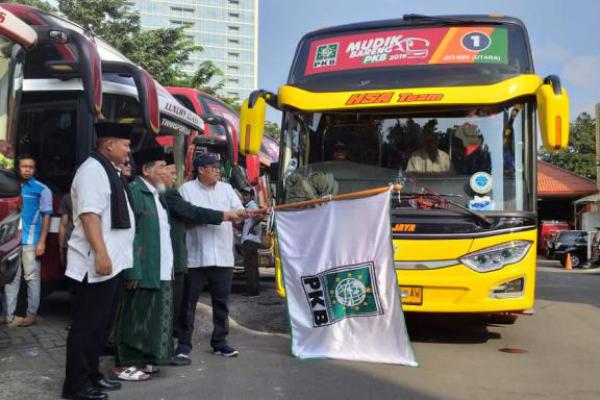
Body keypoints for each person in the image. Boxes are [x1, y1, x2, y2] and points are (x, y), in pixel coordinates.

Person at [62, 122, 135, 400]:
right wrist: (102, 253)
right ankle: (76, 386)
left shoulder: (109, 171)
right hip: (94, 264)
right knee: (86, 327)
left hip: (111, 264)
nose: (128, 151)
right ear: (109, 145)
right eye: (125, 145)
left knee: (101, 328)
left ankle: (91, 376)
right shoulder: (92, 171)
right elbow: (89, 215)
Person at [160, 156, 248, 361]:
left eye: (218, 168)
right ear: (201, 170)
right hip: (196, 256)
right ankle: (183, 343)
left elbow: (238, 212)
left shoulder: (226, 189)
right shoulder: (186, 190)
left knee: (222, 302)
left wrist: (247, 214)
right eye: (213, 168)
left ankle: (220, 341)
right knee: (188, 303)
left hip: (223, 256)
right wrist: (219, 216)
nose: (218, 172)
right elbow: (187, 216)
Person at [115, 147, 182, 369]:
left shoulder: (157, 194)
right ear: (146, 170)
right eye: (161, 167)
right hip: (144, 268)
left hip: (162, 267)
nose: (165, 172)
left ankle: (149, 360)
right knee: (136, 318)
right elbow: (131, 233)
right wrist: (133, 269)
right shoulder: (134, 191)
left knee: (153, 318)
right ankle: (128, 364)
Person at [3, 155, 52, 328]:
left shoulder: (42, 190)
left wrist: (42, 242)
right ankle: (8, 315)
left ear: (34, 169)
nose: (27, 170)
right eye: (24, 167)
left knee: (32, 278)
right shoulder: (13, 188)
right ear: (19, 168)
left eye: (30, 167)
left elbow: (47, 217)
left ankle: (31, 314)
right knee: (10, 279)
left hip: (32, 241)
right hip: (11, 241)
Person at [240, 186, 262, 297]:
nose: (244, 197)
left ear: (252, 196)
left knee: (250, 266)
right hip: (251, 240)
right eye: (243, 194)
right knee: (252, 266)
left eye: (246, 195)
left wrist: (254, 225)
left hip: (250, 240)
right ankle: (254, 289)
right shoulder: (249, 206)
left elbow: (260, 215)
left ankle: (251, 291)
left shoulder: (252, 205)